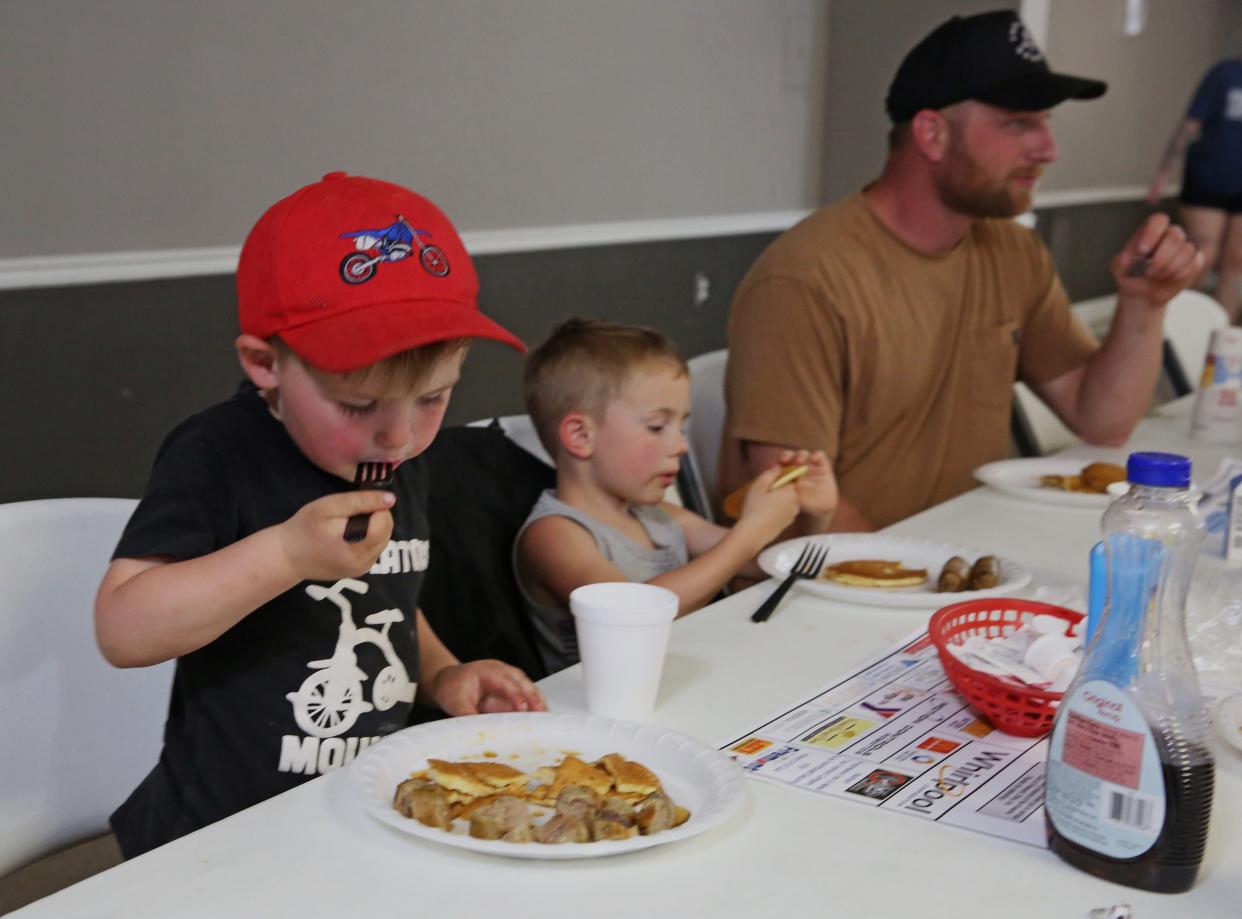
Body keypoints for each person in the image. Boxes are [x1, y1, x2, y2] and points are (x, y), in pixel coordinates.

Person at [94, 172, 546, 857]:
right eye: (359, 406)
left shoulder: (398, 459)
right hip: (222, 837)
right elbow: (122, 629)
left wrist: (446, 673)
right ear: (265, 362)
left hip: (363, 812)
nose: (398, 437)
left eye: (433, 398)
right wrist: (285, 556)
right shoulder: (218, 453)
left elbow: (386, 596)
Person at [721, 10, 1203, 532]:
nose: (1048, 148)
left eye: (1046, 122)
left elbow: (1101, 420)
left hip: (962, 562)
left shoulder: (1014, 252)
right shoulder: (806, 279)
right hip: (834, 584)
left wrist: (1143, 304)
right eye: (1019, 123)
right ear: (932, 133)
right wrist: (928, 582)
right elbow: (796, 503)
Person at [514, 318, 837, 673]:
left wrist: (811, 516)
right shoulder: (555, 535)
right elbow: (633, 614)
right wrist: (751, 530)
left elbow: (762, 565)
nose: (681, 445)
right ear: (580, 436)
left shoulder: (660, 516)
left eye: (681, 427)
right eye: (657, 427)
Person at [1147, 57, 1242, 321]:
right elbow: (1190, 126)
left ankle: (1223, 339)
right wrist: (1165, 172)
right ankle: (1172, 324)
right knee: (1204, 254)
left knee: (1236, 262)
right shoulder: (1224, 74)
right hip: (1208, 179)